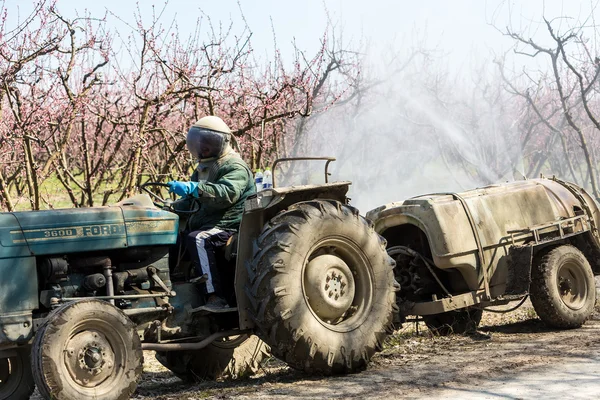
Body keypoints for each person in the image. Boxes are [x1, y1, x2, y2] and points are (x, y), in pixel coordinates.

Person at [167, 116, 255, 310]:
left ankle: (215, 297)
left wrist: (193, 188)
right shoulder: (202, 168)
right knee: (171, 237)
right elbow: (191, 200)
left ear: (224, 142)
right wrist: (169, 208)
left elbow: (226, 194)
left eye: (209, 143)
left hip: (230, 223)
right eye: (200, 143)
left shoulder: (234, 166)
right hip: (209, 222)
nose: (204, 148)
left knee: (198, 239)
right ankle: (171, 289)